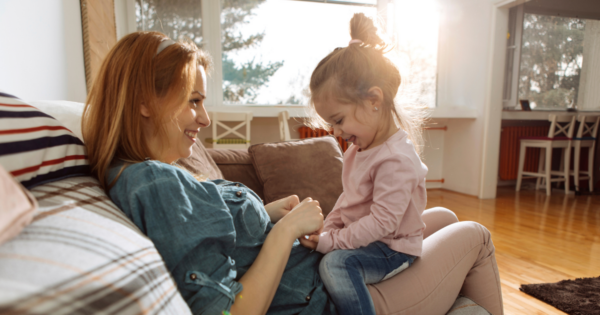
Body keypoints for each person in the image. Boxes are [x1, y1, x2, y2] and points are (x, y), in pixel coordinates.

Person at [82, 31, 504, 315]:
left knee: (445, 218)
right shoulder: (152, 183)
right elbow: (230, 308)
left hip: (327, 266)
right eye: (193, 101)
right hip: (334, 291)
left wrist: (267, 215)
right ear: (143, 101)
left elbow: (219, 240)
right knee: (476, 236)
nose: (205, 118)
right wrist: (288, 232)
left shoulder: (155, 178)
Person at [301, 13, 428, 315]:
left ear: (374, 100)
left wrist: (333, 242)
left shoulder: (395, 158)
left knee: (335, 263)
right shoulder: (360, 149)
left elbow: (383, 222)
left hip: (392, 248)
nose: (335, 132)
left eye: (338, 120)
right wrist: (327, 228)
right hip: (372, 238)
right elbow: (350, 197)